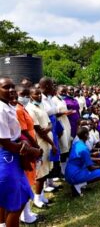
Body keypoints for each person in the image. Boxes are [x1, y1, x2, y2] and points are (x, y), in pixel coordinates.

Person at [0, 78, 42, 227]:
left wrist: (24, 143)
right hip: (7, 157)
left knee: (9, 198)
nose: (11, 90)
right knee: (16, 203)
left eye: (12, 87)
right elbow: (5, 142)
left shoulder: (8, 106)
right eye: (6, 87)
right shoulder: (1, 110)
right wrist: (31, 150)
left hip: (12, 154)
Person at [26, 87, 57, 208]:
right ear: (30, 96)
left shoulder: (41, 105)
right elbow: (39, 131)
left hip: (47, 140)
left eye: (39, 94)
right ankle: (37, 198)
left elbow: (49, 123)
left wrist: (49, 128)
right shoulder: (30, 109)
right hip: (40, 142)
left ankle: (41, 196)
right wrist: (52, 143)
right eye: (35, 94)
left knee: (46, 170)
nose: (39, 96)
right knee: (41, 172)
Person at [15, 85, 41, 223]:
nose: (24, 97)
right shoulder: (18, 110)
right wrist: (35, 146)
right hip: (28, 147)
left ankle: (27, 213)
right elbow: (24, 132)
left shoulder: (22, 108)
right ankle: (25, 215)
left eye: (26, 94)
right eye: (22, 94)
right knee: (26, 181)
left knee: (29, 180)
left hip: (30, 145)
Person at [65, 127, 100, 197]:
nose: (89, 135)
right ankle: (78, 185)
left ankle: (80, 184)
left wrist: (94, 156)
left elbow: (80, 156)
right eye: (88, 134)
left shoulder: (77, 144)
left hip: (68, 172)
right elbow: (90, 167)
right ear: (86, 135)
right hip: (74, 175)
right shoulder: (84, 148)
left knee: (91, 164)